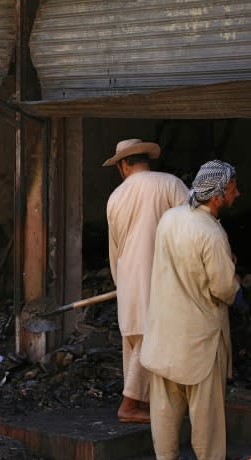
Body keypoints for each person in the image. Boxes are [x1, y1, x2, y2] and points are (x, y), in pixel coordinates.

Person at [141, 160, 241, 460]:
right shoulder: (211, 232)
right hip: (199, 337)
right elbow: (223, 287)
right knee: (206, 409)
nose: (237, 194)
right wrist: (239, 288)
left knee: (165, 405)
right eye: (233, 189)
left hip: (163, 331)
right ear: (218, 195)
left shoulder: (170, 218)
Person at [103, 139, 189, 424]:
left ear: (124, 165)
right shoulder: (170, 184)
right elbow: (193, 228)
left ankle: (148, 404)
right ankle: (129, 406)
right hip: (160, 279)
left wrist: (121, 283)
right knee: (150, 344)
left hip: (129, 280)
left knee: (136, 344)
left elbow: (114, 249)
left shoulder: (115, 197)